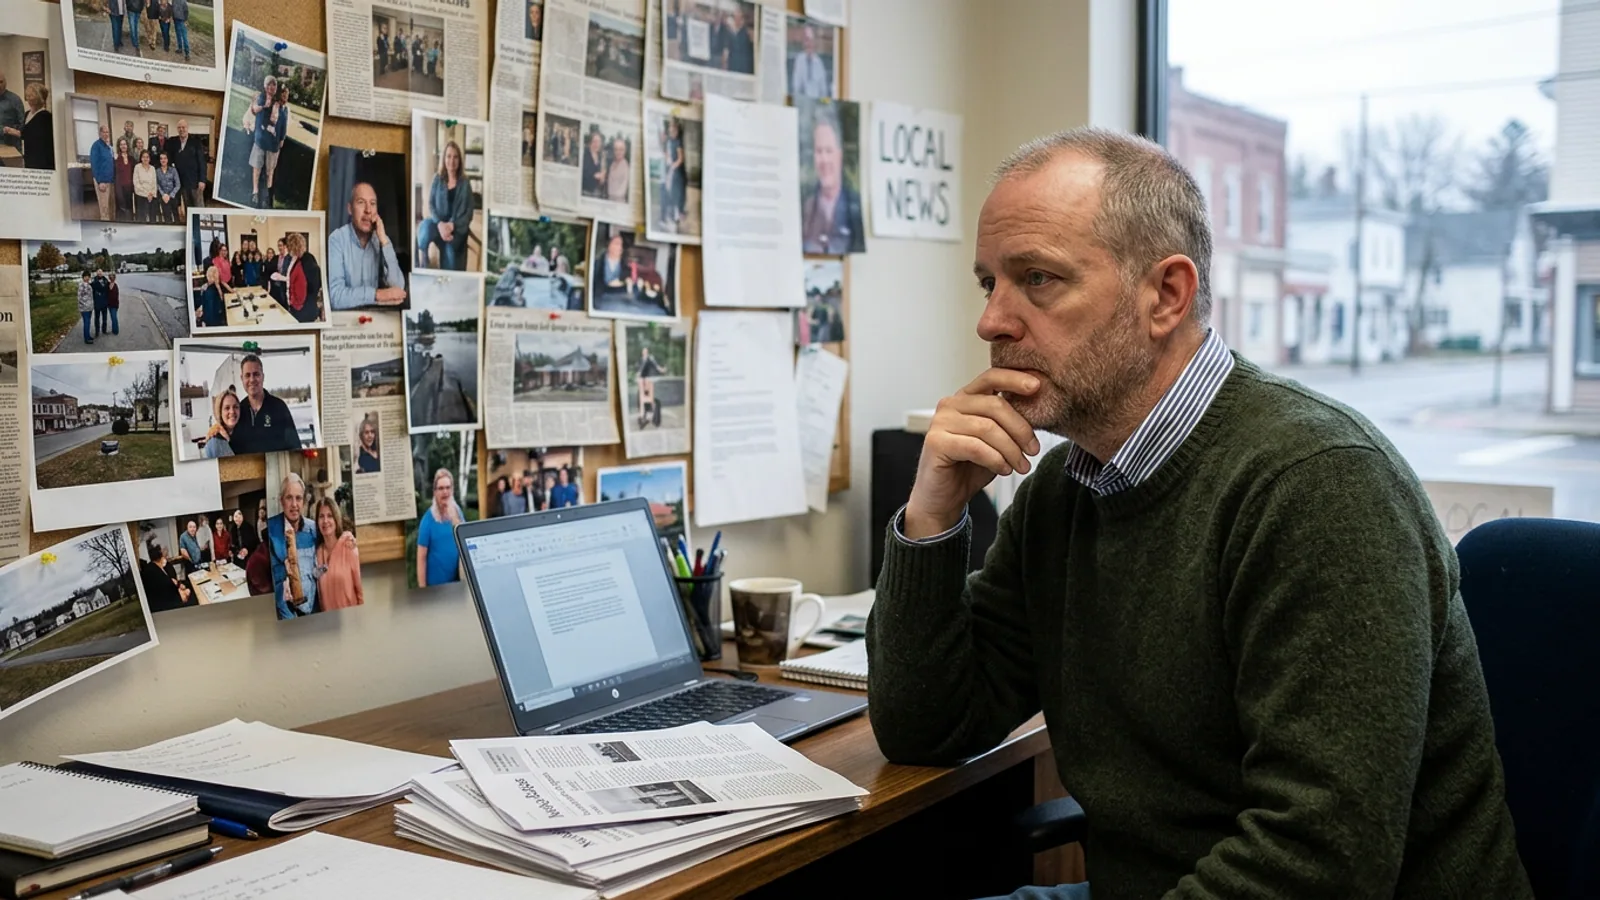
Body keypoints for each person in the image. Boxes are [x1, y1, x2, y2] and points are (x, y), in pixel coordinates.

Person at [867, 127, 1532, 900]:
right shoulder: (1067, 489)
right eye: (990, 284)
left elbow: (1321, 864)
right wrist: (932, 516)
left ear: (1167, 296)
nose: (992, 321)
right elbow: (929, 728)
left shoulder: (1318, 485)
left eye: (1038, 279)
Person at [328, 182, 407, 309]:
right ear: (350, 209)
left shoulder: (381, 240)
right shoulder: (336, 240)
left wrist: (384, 241)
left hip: (374, 318)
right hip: (346, 318)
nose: (368, 210)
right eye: (361, 202)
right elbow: (336, 297)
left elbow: (398, 290)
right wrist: (377, 295)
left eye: (372, 203)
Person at [800, 114, 864, 255]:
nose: (824, 159)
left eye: (829, 151)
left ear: (839, 155)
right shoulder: (805, 209)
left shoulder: (855, 208)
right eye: (819, 151)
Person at [267, 473, 318, 618]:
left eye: (298, 498)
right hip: (284, 612)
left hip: (312, 610)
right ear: (281, 500)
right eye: (289, 498)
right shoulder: (270, 530)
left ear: (304, 501)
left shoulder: (314, 529)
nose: (294, 504)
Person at [229, 352, 302, 453]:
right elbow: (227, 441)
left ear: (263, 376)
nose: (252, 379)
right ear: (242, 378)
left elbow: (295, 448)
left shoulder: (278, 408)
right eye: (247, 375)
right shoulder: (238, 411)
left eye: (256, 374)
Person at [416, 140, 473, 271]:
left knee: (450, 262)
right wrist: (440, 224)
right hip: (438, 224)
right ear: (444, 158)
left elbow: (469, 213)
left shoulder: (465, 183)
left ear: (459, 160)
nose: (451, 161)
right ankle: (423, 256)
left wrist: (452, 225)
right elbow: (431, 205)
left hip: (456, 230)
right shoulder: (437, 179)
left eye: (455, 157)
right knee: (424, 229)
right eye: (448, 156)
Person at [245, 76, 288, 208]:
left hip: (273, 143)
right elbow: (254, 110)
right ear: (265, 86)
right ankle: (255, 192)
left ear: (276, 88)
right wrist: (264, 106)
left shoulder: (280, 104)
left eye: (274, 85)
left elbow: (283, 122)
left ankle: (267, 195)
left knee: (270, 170)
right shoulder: (260, 98)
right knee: (257, 167)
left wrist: (282, 138)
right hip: (260, 140)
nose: (271, 87)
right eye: (269, 84)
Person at [415, 467, 463, 587]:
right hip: (436, 587)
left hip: (457, 584)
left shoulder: (457, 512)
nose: (445, 492)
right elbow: (421, 558)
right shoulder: (427, 520)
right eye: (441, 488)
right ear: (435, 492)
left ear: (452, 490)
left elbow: (465, 541)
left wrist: (454, 518)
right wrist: (423, 589)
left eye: (448, 487)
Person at [313, 497, 363, 611]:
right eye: (321, 516)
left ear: (336, 518)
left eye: (330, 516)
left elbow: (360, 591)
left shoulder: (349, 547)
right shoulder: (317, 553)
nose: (325, 521)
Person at [166, 118, 207, 211]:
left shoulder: (195, 142)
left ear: (187, 128)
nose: (181, 129)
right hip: (182, 182)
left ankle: (201, 220)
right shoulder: (174, 142)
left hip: (195, 182)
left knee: (199, 207)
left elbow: (202, 162)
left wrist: (202, 180)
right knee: (188, 208)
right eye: (179, 127)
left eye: (183, 127)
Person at [284, 232, 323, 324]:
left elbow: (300, 290)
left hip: (302, 310)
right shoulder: (309, 258)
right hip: (310, 306)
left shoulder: (302, 264)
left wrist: (292, 304)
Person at [140, 542, 191, 612]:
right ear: (161, 553)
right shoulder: (151, 571)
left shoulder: (158, 566)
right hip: (167, 607)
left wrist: (179, 586)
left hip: (171, 598)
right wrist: (181, 593)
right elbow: (167, 591)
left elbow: (172, 582)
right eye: (165, 550)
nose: (167, 553)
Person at [789, 25, 830, 98]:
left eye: (810, 40)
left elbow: (823, 90)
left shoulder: (819, 63)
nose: (808, 43)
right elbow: (796, 87)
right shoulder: (799, 60)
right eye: (806, 40)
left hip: (816, 101)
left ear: (814, 42)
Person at [20, 84, 53, 171]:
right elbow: (24, 133)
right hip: (28, 156)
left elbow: (40, 139)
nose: (28, 98)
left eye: (31, 96)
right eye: (27, 95)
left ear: (39, 98)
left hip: (41, 160)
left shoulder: (46, 117)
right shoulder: (27, 114)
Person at [660, 118, 684, 227]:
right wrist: (667, 157)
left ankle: (676, 214)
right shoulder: (668, 141)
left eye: (674, 130)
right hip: (668, 169)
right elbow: (666, 152)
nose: (672, 132)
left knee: (674, 192)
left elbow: (680, 158)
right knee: (668, 191)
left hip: (673, 171)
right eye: (671, 130)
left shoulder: (677, 142)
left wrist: (673, 166)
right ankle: (672, 214)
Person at [201, 389, 239, 457]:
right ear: (220, 412)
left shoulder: (242, 432)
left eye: (235, 407)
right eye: (227, 408)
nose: (232, 411)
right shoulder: (216, 442)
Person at [91, 125, 116, 221]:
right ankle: (105, 227)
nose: (106, 134)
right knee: (104, 208)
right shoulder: (96, 146)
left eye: (107, 132)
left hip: (110, 181)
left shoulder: (108, 147)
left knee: (111, 208)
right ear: (100, 133)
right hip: (102, 182)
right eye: (104, 132)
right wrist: (100, 181)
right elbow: (94, 164)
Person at [719, 8, 753, 73]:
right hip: (732, 66)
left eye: (738, 18)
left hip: (743, 68)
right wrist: (725, 62)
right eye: (735, 18)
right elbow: (727, 48)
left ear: (742, 19)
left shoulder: (747, 32)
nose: (736, 20)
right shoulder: (730, 32)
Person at [132, 148, 157, 223]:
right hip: (141, 195)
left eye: (147, 157)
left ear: (150, 158)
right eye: (143, 157)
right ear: (141, 158)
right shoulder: (137, 167)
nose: (145, 159)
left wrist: (151, 194)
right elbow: (136, 183)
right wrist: (147, 194)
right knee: (141, 219)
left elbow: (154, 183)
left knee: (152, 219)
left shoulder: (152, 168)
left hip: (152, 196)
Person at [112, 138, 134, 219]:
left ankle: (130, 223)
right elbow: (114, 172)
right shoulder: (116, 158)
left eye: (124, 144)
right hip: (119, 187)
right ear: (119, 146)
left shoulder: (131, 158)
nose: (123, 146)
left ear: (127, 146)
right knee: (121, 208)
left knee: (129, 207)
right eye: (121, 144)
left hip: (129, 187)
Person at [155, 151, 180, 223]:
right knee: (167, 217)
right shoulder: (157, 171)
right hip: (163, 197)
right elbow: (157, 184)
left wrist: (171, 195)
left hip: (173, 196)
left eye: (165, 158)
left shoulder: (173, 170)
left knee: (176, 217)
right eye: (161, 158)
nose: (163, 160)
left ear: (167, 159)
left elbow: (178, 184)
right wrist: (163, 195)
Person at [0, 74, 23, 152]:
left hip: (11, 145)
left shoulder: (15, 100)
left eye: (1, 82)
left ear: (5, 83)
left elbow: (22, 123)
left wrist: (9, 130)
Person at [581, 130, 606, 199]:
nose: (596, 144)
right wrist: (594, 176)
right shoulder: (585, 154)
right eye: (594, 141)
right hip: (585, 191)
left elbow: (602, 171)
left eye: (599, 142)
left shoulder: (600, 156)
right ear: (590, 142)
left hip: (596, 191)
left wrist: (603, 176)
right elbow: (582, 173)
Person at [604, 138, 630, 203]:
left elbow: (621, 191)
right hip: (610, 200)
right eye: (616, 149)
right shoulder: (613, 164)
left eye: (621, 149)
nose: (618, 152)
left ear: (625, 151)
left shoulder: (625, 165)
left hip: (619, 202)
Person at [75, 271, 95, 345]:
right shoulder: (81, 285)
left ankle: (88, 336)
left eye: (88, 276)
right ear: (83, 277)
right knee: (86, 322)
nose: (87, 278)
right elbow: (79, 297)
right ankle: (86, 339)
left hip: (90, 307)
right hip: (84, 308)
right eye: (85, 276)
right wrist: (85, 304)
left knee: (88, 322)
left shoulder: (89, 285)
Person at [90, 269, 110, 338]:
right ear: (97, 274)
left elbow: (108, 290)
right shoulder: (94, 281)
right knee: (97, 318)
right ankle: (97, 332)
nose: (99, 274)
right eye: (98, 273)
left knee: (105, 318)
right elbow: (91, 291)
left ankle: (104, 330)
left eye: (101, 273)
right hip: (97, 302)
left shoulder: (106, 280)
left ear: (102, 273)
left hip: (104, 302)